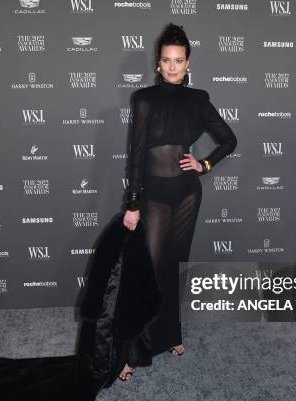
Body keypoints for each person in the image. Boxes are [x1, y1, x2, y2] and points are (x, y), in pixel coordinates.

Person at [119, 23, 238, 381]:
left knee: (173, 266)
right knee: (148, 271)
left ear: (188, 64)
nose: (173, 67)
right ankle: (131, 350)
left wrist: (204, 164)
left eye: (179, 61)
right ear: (158, 63)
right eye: (167, 60)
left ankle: (170, 335)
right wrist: (133, 202)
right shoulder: (143, 99)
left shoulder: (198, 100)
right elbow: (136, 155)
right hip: (153, 197)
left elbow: (229, 139)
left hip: (186, 194)